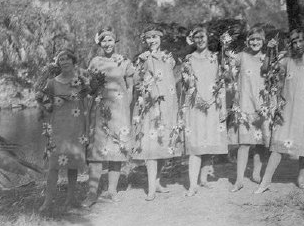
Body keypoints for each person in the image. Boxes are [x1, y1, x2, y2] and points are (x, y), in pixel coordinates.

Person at [254, 29, 304, 194]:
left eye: (300, 41)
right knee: (278, 145)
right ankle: (265, 182)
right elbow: (266, 70)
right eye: (294, 42)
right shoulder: (287, 61)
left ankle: (301, 179)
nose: (297, 45)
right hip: (287, 109)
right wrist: (269, 50)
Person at [83, 27, 135, 206]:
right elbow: (89, 86)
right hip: (100, 107)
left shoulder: (124, 61)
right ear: (100, 43)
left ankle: (112, 190)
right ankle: (91, 193)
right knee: (97, 150)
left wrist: (127, 102)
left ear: (115, 42)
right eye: (104, 40)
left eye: (110, 40)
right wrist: (92, 91)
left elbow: (130, 85)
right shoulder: (95, 61)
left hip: (119, 108)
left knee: (116, 147)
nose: (107, 44)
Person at [132, 25, 183, 201]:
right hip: (151, 106)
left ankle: (158, 181)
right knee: (151, 145)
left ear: (160, 39)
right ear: (144, 41)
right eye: (149, 38)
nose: (152, 41)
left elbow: (175, 78)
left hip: (168, 105)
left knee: (164, 143)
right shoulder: (142, 58)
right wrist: (145, 89)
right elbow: (136, 81)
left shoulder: (169, 57)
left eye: (155, 37)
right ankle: (151, 188)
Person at [37, 49, 88, 212]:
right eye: (61, 60)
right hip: (57, 127)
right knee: (53, 165)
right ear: (58, 64)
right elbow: (43, 100)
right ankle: (48, 201)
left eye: (67, 59)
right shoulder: (52, 82)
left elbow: (89, 97)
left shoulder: (81, 80)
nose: (64, 62)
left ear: (73, 61)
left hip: (76, 126)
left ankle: (70, 199)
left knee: (72, 163)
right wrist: (49, 105)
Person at [181, 26, 228, 196]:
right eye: (196, 37)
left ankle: (203, 179)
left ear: (208, 38)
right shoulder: (188, 59)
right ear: (192, 40)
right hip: (196, 105)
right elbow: (187, 85)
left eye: (203, 37)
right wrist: (194, 98)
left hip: (213, 104)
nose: (200, 40)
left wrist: (222, 106)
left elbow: (221, 83)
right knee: (196, 144)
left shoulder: (215, 58)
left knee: (208, 141)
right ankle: (193, 184)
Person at [227, 26, 271, 192]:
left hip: (261, 105)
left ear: (263, 41)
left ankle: (256, 173)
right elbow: (228, 68)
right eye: (252, 39)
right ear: (247, 41)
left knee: (260, 143)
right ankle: (239, 180)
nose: (255, 42)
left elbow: (272, 78)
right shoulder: (242, 56)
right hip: (245, 105)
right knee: (244, 143)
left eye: (258, 39)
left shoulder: (266, 58)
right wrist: (226, 50)